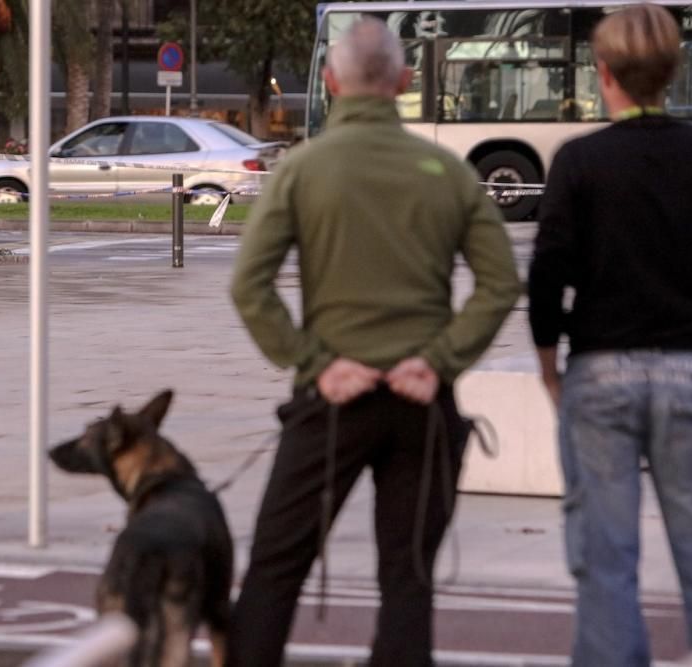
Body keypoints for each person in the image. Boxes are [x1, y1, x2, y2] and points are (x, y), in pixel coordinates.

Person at [228, 17, 521, 667]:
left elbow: (249, 285)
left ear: (330, 82)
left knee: (276, 568)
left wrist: (316, 361)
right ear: (406, 82)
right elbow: (500, 284)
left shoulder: (302, 169)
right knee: (408, 579)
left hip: (331, 398)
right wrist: (439, 360)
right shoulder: (447, 172)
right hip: (422, 400)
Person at [528, 5, 692, 666]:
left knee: (605, 554)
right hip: (686, 367)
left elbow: (547, 277)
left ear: (603, 72)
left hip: (598, 370)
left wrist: (548, 366)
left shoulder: (579, 160)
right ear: (675, 71)